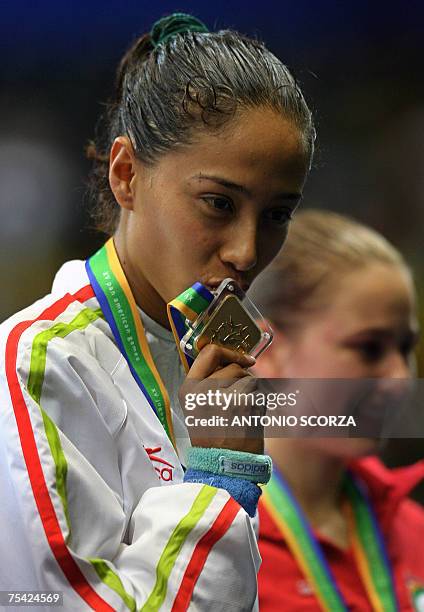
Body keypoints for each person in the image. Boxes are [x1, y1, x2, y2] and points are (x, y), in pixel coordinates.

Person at [0, 12, 315, 611]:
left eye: (277, 214)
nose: (247, 251)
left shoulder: (238, 361)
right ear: (126, 175)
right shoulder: (36, 365)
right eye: (218, 203)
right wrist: (220, 478)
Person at [250, 209, 424, 611]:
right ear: (269, 349)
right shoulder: (212, 536)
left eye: (405, 348)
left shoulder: (412, 531)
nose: (399, 378)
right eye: (369, 348)